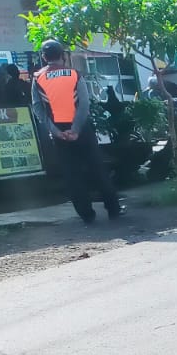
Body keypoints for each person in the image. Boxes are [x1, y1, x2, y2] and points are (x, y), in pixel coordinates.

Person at [30, 40, 122, 226]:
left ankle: (87, 215)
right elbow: (84, 105)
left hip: (59, 133)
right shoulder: (74, 75)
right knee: (97, 168)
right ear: (63, 55)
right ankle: (113, 210)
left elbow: (38, 109)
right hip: (82, 129)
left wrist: (57, 132)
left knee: (72, 175)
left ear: (44, 57)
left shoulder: (37, 78)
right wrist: (76, 130)